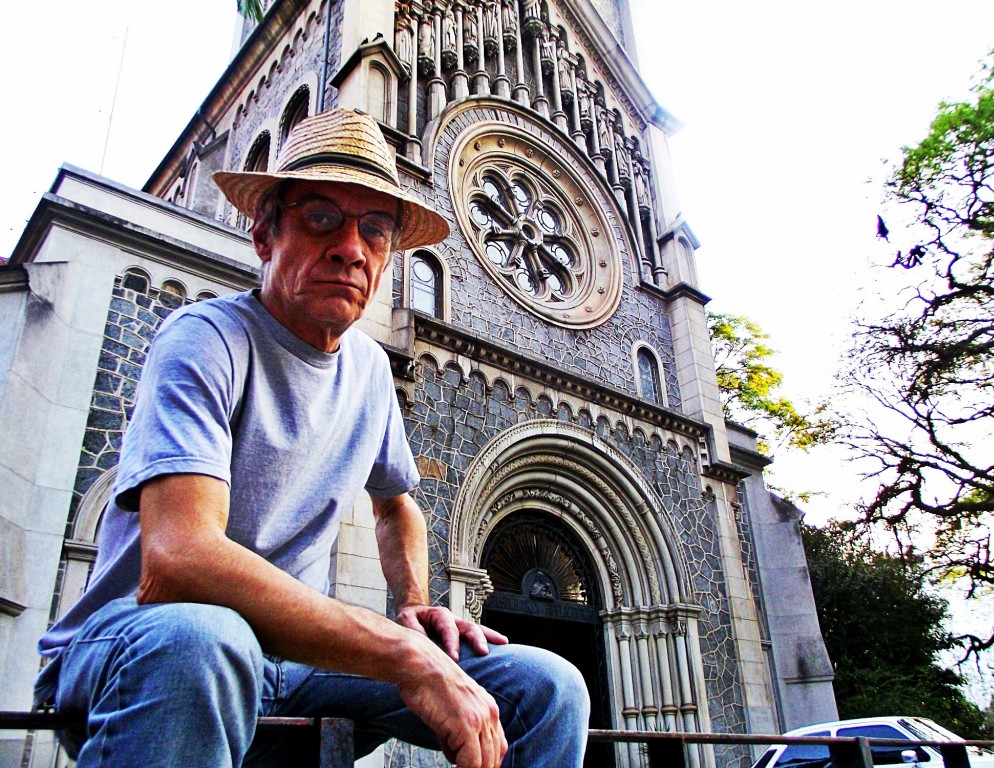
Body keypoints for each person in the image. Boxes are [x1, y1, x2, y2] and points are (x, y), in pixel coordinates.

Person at [34, 108, 589, 768]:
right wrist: (400, 656)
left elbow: (396, 504)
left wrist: (415, 607)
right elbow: (177, 562)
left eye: (375, 230)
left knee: (548, 688)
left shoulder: (369, 372)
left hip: (289, 665)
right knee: (206, 637)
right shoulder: (206, 340)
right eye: (322, 217)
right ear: (264, 235)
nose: (351, 247)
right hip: (141, 647)